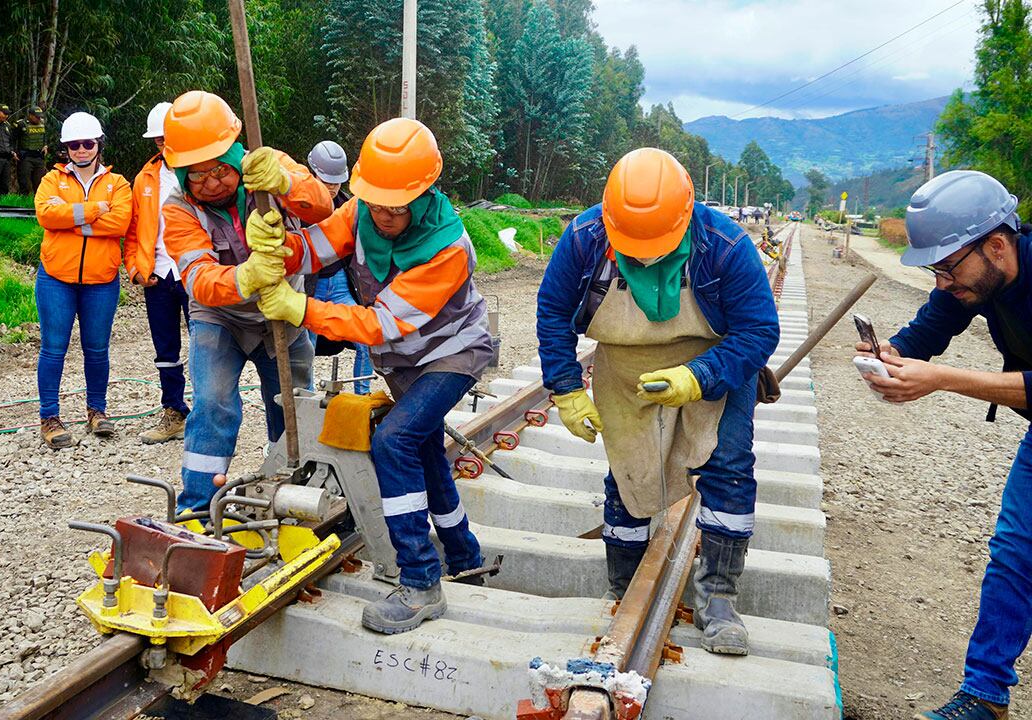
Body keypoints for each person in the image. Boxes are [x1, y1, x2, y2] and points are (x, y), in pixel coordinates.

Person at [535, 147, 780, 656]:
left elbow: (759, 330)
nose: (645, 255)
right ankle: (625, 585)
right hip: (624, 366)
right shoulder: (585, 238)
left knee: (728, 465)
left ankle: (717, 596)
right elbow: (553, 311)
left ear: (686, 214)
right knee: (630, 469)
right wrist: (566, 389)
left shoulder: (725, 244)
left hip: (715, 362)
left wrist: (699, 377)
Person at [255, 118, 489, 634]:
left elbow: (379, 322)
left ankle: (421, 582)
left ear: (424, 192)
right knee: (423, 449)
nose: (382, 214)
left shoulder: (448, 247)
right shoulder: (363, 208)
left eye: (395, 205)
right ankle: (464, 554)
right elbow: (318, 246)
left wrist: (301, 308)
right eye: (375, 201)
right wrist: (280, 248)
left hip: (451, 353)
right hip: (403, 360)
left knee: (394, 441)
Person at [859, 171, 1029, 720]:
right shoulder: (973, 279)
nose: (941, 283)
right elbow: (931, 326)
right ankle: (985, 697)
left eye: (947, 268)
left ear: (997, 246)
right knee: (1014, 556)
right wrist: (893, 356)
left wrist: (941, 379)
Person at [159, 90, 331, 512]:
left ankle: (293, 494)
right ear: (180, 173)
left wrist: (286, 183)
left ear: (235, 154)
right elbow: (199, 280)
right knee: (214, 402)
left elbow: (324, 209)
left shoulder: (268, 169)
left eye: (219, 169)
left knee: (293, 407)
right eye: (196, 175)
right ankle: (198, 505)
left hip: (282, 310)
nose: (211, 183)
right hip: (219, 317)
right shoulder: (178, 208)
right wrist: (247, 276)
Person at [33, 111, 132, 449]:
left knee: (96, 349)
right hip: (56, 277)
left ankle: (97, 411)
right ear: (66, 148)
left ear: (98, 145)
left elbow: (120, 224)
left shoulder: (117, 184)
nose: (80, 150)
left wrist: (72, 217)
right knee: (53, 348)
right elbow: (46, 215)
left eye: (87, 143)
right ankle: (49, 416)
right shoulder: (52, 179)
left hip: (101, 279)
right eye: (73, 145)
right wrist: (93, 210)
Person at [125, 102, 191, 445]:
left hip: (195, 272)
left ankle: (210, 414)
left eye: (170, 138)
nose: (164, 146)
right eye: (159, 140)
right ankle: (174, 411)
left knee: (210, 346)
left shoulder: (200, 173)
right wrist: (136, 269)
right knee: (166, 349)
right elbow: (134, 230)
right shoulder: (145, 179)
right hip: (159, 275)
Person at [305, 140, 371, 394]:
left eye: (336, 182)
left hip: (341, 285)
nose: (332, 188)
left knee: (365, 338)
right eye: (326, 181)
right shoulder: (296, 206)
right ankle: (307, 400)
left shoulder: (348, 205)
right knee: (304, 348)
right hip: (311, 288)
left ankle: (363, 394)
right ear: (313, 174)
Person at [12, 107, 48, 195]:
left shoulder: (42, 123)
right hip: (26, 157)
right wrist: (13, 152)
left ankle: (38, 201)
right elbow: (12, 139)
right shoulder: (21, 124)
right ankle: (24, 202)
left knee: (39, 182)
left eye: (40, 116)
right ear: (30, 115)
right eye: (36, 117)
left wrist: (46, 145)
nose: (38, 118)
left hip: (39, 156)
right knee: (24, 182)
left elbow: (45, 136)